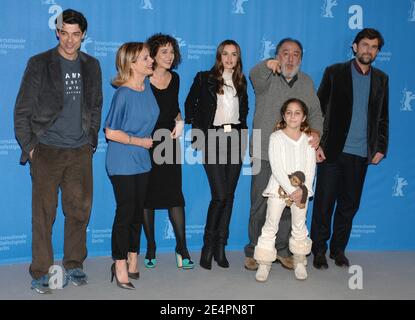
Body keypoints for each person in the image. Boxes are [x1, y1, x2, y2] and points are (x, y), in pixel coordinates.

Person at [14, 9, 102, 294]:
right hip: (47, 151)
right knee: (43, 214)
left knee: (79, 212)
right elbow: (22, 110)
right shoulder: (39, 63)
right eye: (64, 33)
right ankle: (41, 271)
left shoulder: (92, 66)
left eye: (75, 34)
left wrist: (90, 141)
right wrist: (30, 147)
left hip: (79, 151)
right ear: (57, 32)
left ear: (83, 35)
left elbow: (96, 105)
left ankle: (74, 263)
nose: (69, 40)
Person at [311, 28, 389, 269]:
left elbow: (383, 118)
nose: (368, 50)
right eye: (364, 45)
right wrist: (317, 145)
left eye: (373, 47)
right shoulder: (334, 73)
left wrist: (381, 146)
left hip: (361, 154)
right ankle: (319, 251)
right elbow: (318, 111)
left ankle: (338, 250)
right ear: (355, 47)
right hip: (332, 152)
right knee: (324, 205)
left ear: (377, 52)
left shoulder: (381, 79)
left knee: (349, 206)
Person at [244, 38, 323, 271]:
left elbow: (316, 114)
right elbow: (254, 75)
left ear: (301, 58)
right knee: (260, 203)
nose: (290, 58)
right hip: (263, 152)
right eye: (285, 53)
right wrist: (266, 64)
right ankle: (255, 251)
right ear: (277, 56)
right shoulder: (266, 77)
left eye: (296, 54)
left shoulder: (307, 82)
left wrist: (317, 133)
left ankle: (282, 250)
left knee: (291, 201)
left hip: (294, 156)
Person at [185, 40, 248, 270]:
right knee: (220, 195)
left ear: (238, 58)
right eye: (225, 54)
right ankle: (207, 247)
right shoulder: (204, 78)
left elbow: (245, 109)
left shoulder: (241, 81)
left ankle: (221, 247)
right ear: (218, 56)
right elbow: (190, 104)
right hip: (212, 138)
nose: (229, 58)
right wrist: (198, 130)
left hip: (236, 139)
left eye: (234, 54)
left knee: (229, 196)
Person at [105, 42, 159, 289]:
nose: (151, 61)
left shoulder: (147, 86)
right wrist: (139, 141)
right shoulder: (123, 93)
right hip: (122, 160)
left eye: (150, 57)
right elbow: (110, 131)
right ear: (131, 64)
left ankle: (133, 257)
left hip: (142, 161)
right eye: (146, 58)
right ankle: (119, 264)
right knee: (126, 213)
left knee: (139, 213)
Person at [142, 33, 193, 269]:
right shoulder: (141, 78)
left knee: (175, 195)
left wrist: (181, 121)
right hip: (145, 144)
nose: (169, 56)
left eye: (172, 51)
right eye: (164, 51)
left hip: (169, 143)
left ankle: (181, 247)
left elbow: (174, 108)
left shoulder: (176, 78)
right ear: (152, 54)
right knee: (147, 198)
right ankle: (151, 246)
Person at [254, 98, 316, 281]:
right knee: (270, 225)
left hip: (301, 193)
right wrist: (291, 190)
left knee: (299, 226)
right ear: (283, 115)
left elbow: (311, 168)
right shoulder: (276, 137)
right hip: (278, 190)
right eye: (288, 112)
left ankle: (300, 261)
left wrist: (303, 191)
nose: (293, 116)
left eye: (297, 113)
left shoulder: (308, 140)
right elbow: (277, 167)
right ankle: (264, 264)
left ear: (304, 117)